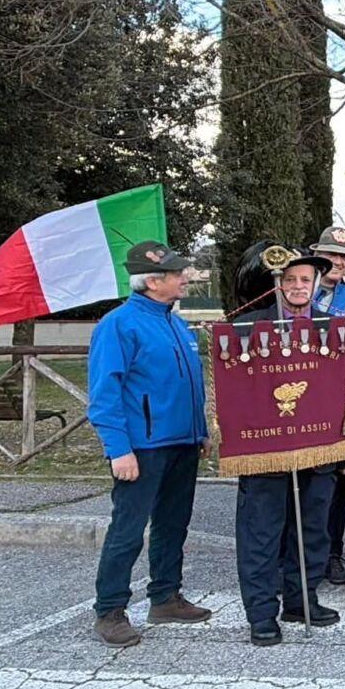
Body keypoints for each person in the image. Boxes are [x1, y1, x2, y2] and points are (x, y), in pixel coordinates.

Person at [89, 241, 213, 648]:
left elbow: (190, 384)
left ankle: (165, 596)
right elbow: (104, 393)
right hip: (142, 447)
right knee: (128, 529)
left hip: (182, 442)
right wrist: (118, 449)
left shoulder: (175, 322)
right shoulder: (119, 325)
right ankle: (110, 610)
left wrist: (200, 431)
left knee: (173, 524)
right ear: (153, 281)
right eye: (177, 273)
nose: (185, 278)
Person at [231, 242, 341, 646]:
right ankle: (262, 612)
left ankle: (302, 598)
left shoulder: (333, 325)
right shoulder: (247, 325)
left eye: (305, 279)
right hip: (266, 449)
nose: (297, 286)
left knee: (312, 530)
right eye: (290, 279)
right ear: (278, 283)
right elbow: (233, 388)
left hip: (318, 445)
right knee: (262, 533)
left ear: (315, 283)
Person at [313, 225, 345, 587]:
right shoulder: (298, 290)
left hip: (344, 401)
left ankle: (332, 553)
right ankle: (298, 556)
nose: (339, 262)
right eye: (332, 254)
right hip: (303, 401)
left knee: (340, 484)